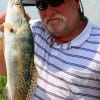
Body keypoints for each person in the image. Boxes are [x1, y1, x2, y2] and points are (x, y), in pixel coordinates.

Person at [0, 0, 100, 99]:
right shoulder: (32, 30)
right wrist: (6, 35)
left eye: (56, 2)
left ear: (76, 3)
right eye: (41, 5)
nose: (49, 12)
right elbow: (4, 69)